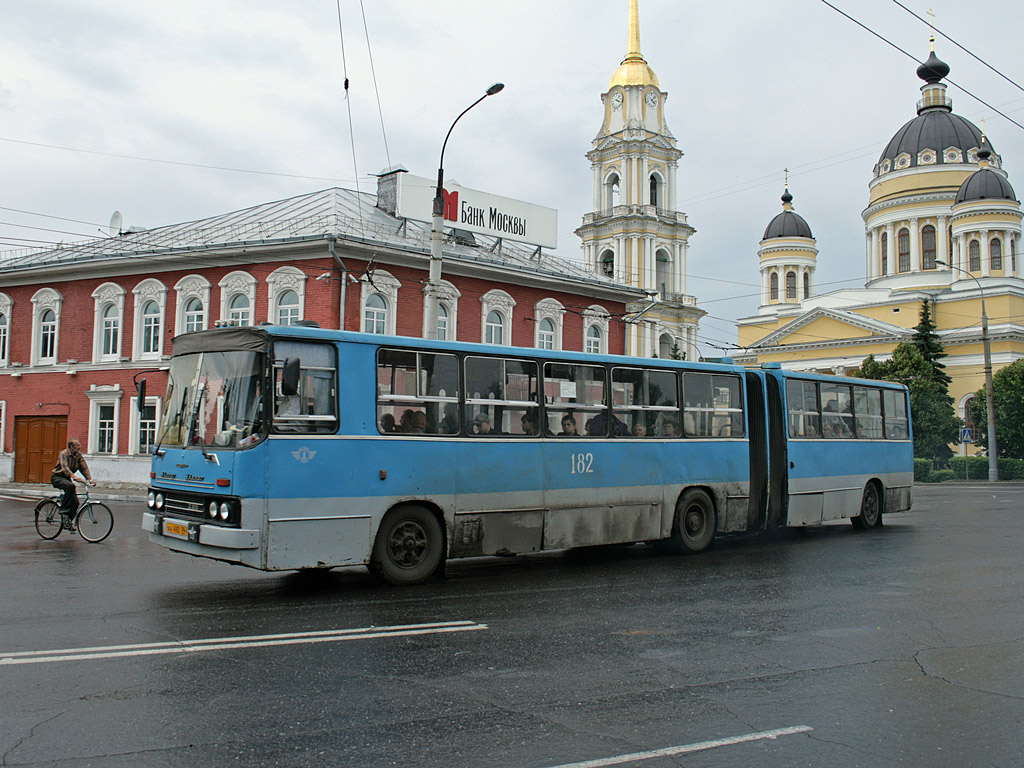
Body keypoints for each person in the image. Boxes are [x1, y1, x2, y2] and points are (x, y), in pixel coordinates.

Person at [51, 438, 96, 518]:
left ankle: (68, 522)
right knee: (70, 486)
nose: (80, 447)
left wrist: (90, 480)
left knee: (75, 503)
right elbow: (65, 468)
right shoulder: (63, 454)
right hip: (57, 477)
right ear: (71, 447)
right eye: (78, 445)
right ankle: (63, 508)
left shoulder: (78, 455)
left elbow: (84, 467)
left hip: (67, 478)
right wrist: (75, 477)